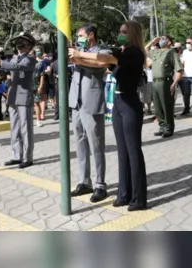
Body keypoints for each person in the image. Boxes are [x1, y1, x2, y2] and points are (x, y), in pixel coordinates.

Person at [70, 21, 148, 211]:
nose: (120, 34)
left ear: (133, 34)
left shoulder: (134, 53)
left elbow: (105, 59)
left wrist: (79, 54)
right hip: (119, 104)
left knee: (133, 152)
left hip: (130, 104)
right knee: (122, 152)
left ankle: (138, 198)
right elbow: (101, 60)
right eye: (120, 31)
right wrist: (79, 57)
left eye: (124, 32)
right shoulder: (122, 50)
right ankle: (123, 194)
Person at [67, 24, 110, 204]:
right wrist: (75, 54)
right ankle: (85, 181)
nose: (79, 38)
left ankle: (100, 184)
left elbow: (98, 65)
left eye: (82, 35)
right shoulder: (79, 51)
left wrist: (78, 58)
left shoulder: (102, 50)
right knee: (80, 143)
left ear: (91, 35)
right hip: (76, 102)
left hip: (91, 103)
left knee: (96, 144)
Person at [1, 33, 36, 169]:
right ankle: (17, 155)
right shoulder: (15, 58)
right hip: (13, 96)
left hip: (24, 96)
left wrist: (1, 63)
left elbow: (18, 67)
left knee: (25, 128)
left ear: (28, 46)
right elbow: (9, 69)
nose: (19, 45)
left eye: (23, 43)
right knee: (14, 128)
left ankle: (27, 157)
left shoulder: (30, 59)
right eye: (18, 43)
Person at [146, 35, 183, 138]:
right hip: (155, 82)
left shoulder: (172, 53)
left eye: (165, 39)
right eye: (161, 38)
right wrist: (153, 40)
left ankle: (169, 128)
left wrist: (174, 84)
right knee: (157, 107)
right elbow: (145, 49)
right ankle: (162, 127)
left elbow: (179, 70)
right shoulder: (156, 52)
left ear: (170, 42)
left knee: (166, 106)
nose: (162, 40)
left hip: (165, 82)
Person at [33, 46, 49, 127]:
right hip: (29, 84)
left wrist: (40, 86)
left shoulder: (42, 62)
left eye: (39, 51)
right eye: (36, 51)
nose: (37, 52)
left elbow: (42, 75)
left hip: (37, 84)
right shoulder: (31, 61)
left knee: (37, 102)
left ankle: (38, 119)